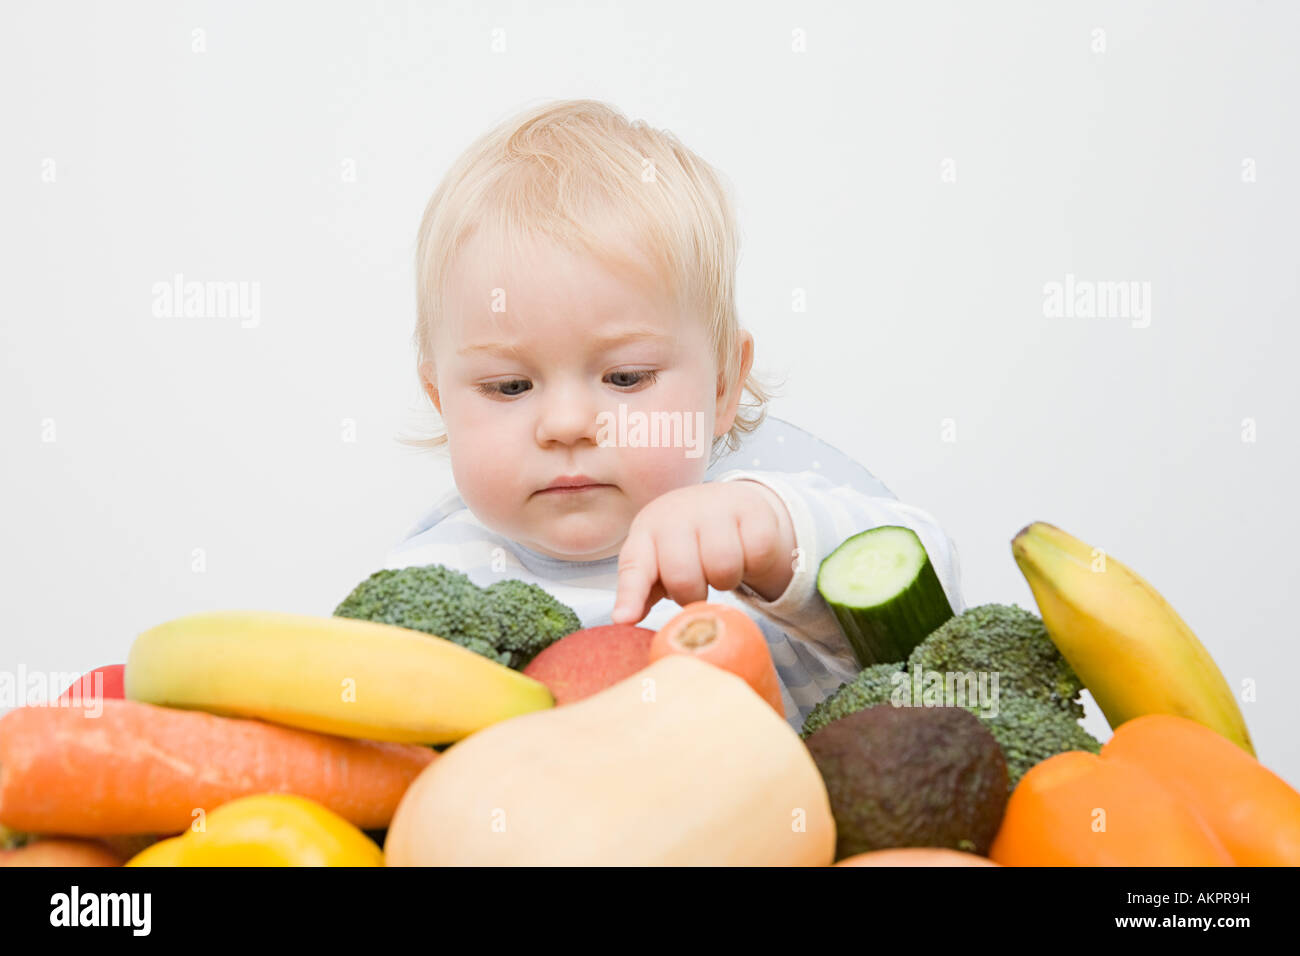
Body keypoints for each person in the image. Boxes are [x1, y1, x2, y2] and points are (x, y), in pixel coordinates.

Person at [386, 98, 964, 730]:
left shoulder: (749, 553)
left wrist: (777, 540)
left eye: (626, 377)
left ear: (722, 388)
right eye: (509, 386)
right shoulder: (422, 585)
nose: (567, 424)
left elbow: (942, 623)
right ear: (441, 401)